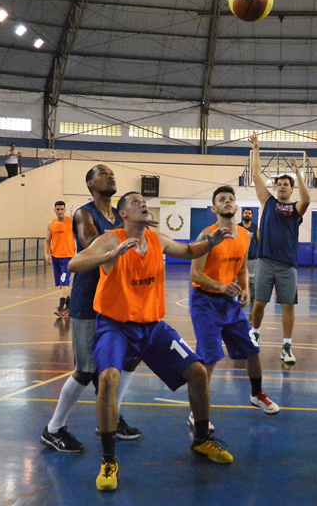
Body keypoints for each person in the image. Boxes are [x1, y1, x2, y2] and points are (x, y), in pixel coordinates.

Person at [69, 191, 235, 491]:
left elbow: (188, 252)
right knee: (107, 378)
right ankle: (108, 460)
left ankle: (201, 440)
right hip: (115, 326)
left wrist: (208, 243)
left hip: (152, 327)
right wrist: (110, 256)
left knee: (197, 372)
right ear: (123, 214)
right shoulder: (111, 239)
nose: (143, 204)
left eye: (144, 202)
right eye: (135, 202)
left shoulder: (156, 238)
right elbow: (74, 264)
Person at [41, 165, 140, 455]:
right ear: (89, 184)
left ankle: (112, 417)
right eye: (102, 174)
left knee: (130, 358)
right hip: (88, 299)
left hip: (116, 298)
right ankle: (53, 429)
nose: (110, 176)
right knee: (86, 370)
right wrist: (124, 239)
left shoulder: (118, 216)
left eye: (111, 174)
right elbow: (90, 245)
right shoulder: (85, 214)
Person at [189, 185, 280, 426]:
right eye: (222, 199)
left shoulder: (244, 236)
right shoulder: (206, 236)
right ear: (214, 208)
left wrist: (246, 289)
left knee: (252, 349)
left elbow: (241, 269)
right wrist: (220, 286)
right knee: (209, 358)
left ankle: (256, 394)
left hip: (230, 303)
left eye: (231, 198)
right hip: (205, 302)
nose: (228, 201)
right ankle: (196, 412)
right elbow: (195, 274)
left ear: (237, 206)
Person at [248, 133, 311, 365]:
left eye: (286, 185)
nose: (282, 187)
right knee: (259, 303)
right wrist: (256, 149)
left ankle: (287, 346)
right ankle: (254, 334)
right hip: (265, 261)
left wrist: (298, 173)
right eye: (279, 184)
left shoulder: (296, 209)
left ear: (291, 189)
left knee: (288, 306)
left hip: (287, 266)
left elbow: (307, 198)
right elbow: (256, 176)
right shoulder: (268, 202)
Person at [46, 201, 76, 317]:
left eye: (62, 209)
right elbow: (47, 241)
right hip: (56, 258)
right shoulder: (51, 223)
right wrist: (47, 254)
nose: (60, 211)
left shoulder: (71, 222)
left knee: (64, 282)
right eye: (57, 209)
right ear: (55, 210)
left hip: (67, 258)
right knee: (62, 284)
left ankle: (60, 308)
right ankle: (69, 307)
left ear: (65, 210)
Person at [238, 207, 259, 306]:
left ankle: (253, 296)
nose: (247, 214)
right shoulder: (238, 227)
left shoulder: (255, 228)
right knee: (239, 280)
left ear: (252, 216)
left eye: (249, 213)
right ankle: (239, 296)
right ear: (243, 214)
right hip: (239, 258)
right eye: (246, 213)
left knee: (252, 280)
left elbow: (258, 241)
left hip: (251, 257)